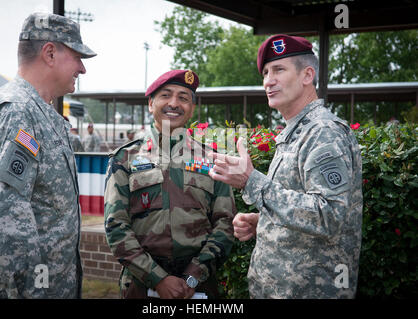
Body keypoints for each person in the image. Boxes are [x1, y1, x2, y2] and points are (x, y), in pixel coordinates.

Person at [209, 34, 363, 299]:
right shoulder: (298, 131)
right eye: (266, 72)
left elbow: (329, 216)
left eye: (279, 69)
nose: (269, 80)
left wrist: (251, 181)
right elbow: (303, 207)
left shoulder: (323, 131)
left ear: (307, 75)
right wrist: (264, 221)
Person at [0, 12, 96, 298]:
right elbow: (4, 223)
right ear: (49, 53)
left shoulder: (38, 112)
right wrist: (36, 292)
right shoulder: (16, 111)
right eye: (77, 56)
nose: (82, 68)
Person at [104, 69, 236, 299]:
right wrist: (158, 279)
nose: (174, 103)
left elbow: (226, 224)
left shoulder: (211, 158)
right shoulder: (125, 158)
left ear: (192, 108)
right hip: (141, 285)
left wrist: (193, 276)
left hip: (199, 285)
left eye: (184, 98)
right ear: (150, 103)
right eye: (166, 95)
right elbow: (116, 226)